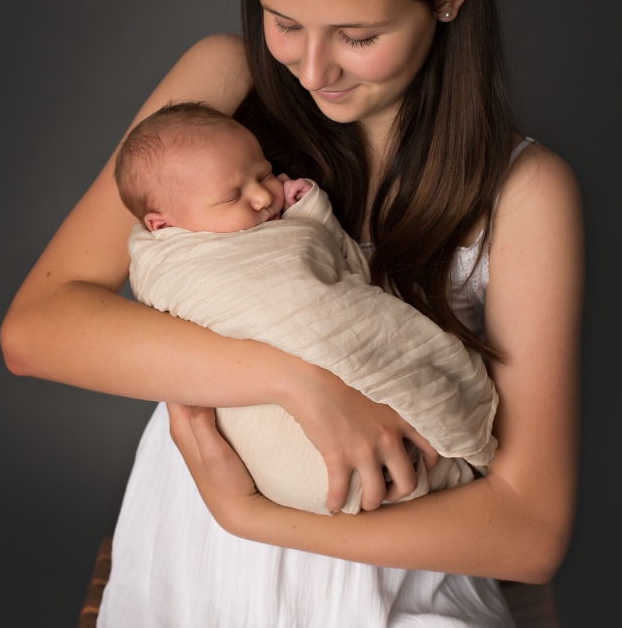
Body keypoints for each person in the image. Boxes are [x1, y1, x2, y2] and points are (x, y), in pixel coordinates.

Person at [1, 0, 584, 628]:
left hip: (399, 610)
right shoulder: (218, 91)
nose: (315, 69)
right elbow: (38, 329)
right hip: (198, 606)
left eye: (358, 33)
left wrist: (261, 518)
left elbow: (527, 525)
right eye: (284, 19)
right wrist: (291, 380)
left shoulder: (526, 192)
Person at [116, 101, 499, 516]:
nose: (263, 195)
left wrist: (311, 213)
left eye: (263, 173)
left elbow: (344, 267)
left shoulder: (266, 221)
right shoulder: (178, 264)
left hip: (363, 471)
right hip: (267, 458)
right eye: (232, 196)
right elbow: (299, 303)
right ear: (162, 226)